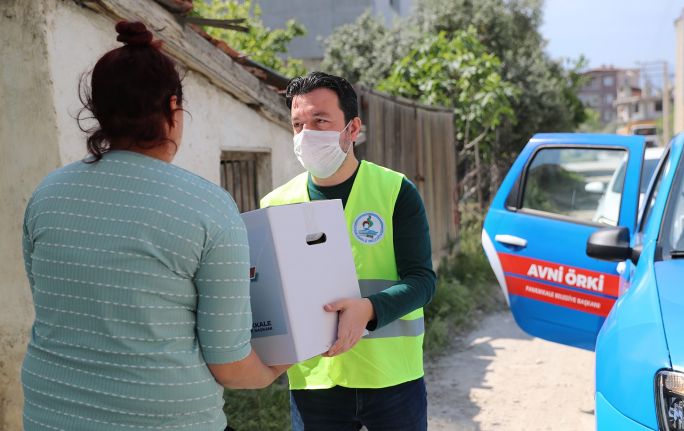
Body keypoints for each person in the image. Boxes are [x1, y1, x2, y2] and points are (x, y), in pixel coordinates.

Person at [20, 21, 287, 431]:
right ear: (172, 107)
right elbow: (230, 365)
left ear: (99, 111)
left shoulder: (47, 194)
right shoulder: (207, 207)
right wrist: (274, 369)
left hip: (50, 416)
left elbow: (55, 306)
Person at [260, 71, 437, 430]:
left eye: (320, 121)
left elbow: (422, 281)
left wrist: (369, 309)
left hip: (393, 379)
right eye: (298, 125)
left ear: (352, 128)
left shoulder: (394, 191)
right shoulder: (275, 205)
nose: (306, 135)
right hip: (315, 381)